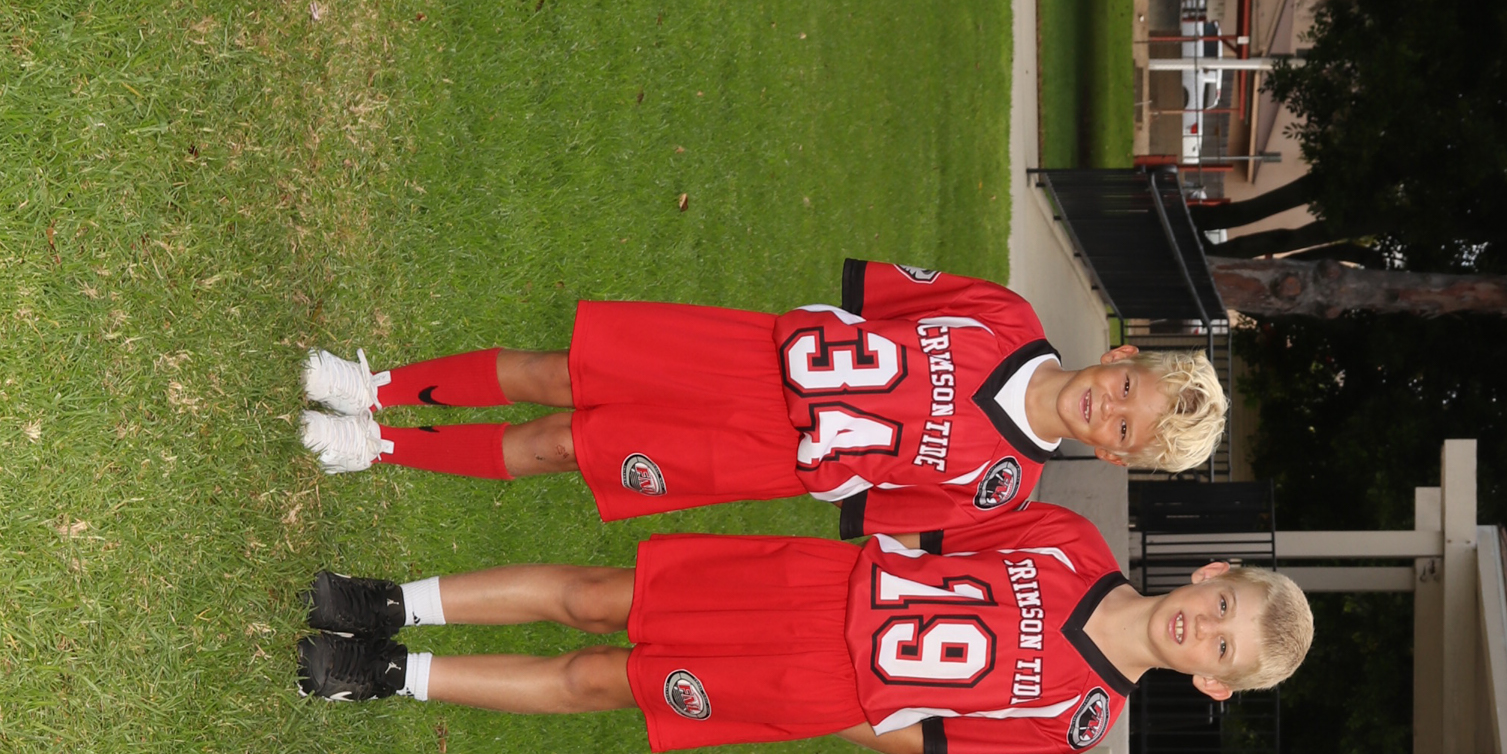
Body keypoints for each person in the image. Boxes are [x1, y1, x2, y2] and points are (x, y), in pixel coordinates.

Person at [293, 262, 1227, 533]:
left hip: (762, 455)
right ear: (1121, 354)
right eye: (1125, 388)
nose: (1107, 408)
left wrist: (829, 467)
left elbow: (870, 507)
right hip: (745, 359)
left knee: (563, 445)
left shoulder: (1001, 487)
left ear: (1113, 454)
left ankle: (377, 446)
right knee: (558, 372)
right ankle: (373, 386)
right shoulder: (1006, 316)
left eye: (1124, 427)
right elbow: (878, 301)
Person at [293, 518, 1314, 748]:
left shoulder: (1078, 719)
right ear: (1212, 574)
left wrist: (832, 712)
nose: (1205, 628)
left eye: (1221, 649)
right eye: (1224, 606)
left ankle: (385, 675)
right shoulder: (1069, 544)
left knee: (599, 679)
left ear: (1212, 684)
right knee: (601, 596)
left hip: (817, 687)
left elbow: (932, 745)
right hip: (813, 586)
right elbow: (930, 528)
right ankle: (387, 604)